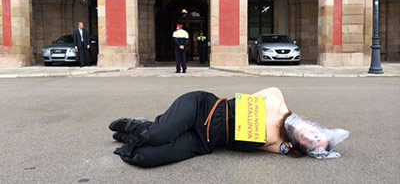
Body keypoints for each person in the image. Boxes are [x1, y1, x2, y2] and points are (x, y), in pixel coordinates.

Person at [109, 87, 349, 167]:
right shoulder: (277, 99)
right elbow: (253, 99)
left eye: (311, 143)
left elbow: (287, 149)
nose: (309, 136)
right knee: (156, 134)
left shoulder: (280, 144)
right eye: (316, 134)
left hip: (203, 142)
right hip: (201, 107)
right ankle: (137, 126)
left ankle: (133, 132)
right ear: (314, 125)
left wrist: (303, 150)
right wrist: (290, 120)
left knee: (144, 157)